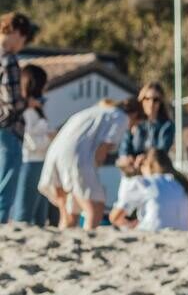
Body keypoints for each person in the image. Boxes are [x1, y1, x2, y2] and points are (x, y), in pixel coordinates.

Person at [38, 96, 145, 230]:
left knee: (70, 213)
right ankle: (89, 238)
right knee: (95, 206)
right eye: (135, 123)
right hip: (77, 157)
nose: (132, 128)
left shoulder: (96, 110)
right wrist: (94, 171)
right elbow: (102, 150)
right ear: (134, 114)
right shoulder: (121, 117)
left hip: (55, 154)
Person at [0, 10, 37, 223]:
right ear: (15, 32)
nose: (22, 44)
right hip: (8, 125)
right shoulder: (9, 59)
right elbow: (13, 103)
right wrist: (29, 103)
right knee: (6, 179)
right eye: (23, 38)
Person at [109, 148, 188, 231]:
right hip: (183, 232)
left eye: (141, 165)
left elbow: (115, 217)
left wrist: (134, 171)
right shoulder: (180, 184)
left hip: (153, 231)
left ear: (148, 165)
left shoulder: (144, 182)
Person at [13, 63, 55, 226]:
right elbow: (28, 140)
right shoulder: (25, 111)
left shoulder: (37, 109)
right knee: (24, 213)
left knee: (40, 215)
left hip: (42, 162)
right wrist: (50, 138)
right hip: (30, 162)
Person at [117, 82, 176, 173]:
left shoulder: (167, 125)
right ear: (141, 100)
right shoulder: (134, 122)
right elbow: (124, 150)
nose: (151, 103)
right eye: (147, 99)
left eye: (155, 99)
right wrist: (129, 159)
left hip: (156, 173)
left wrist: (144, 158)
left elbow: (161, 152)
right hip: (133, 172)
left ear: (161, 102)